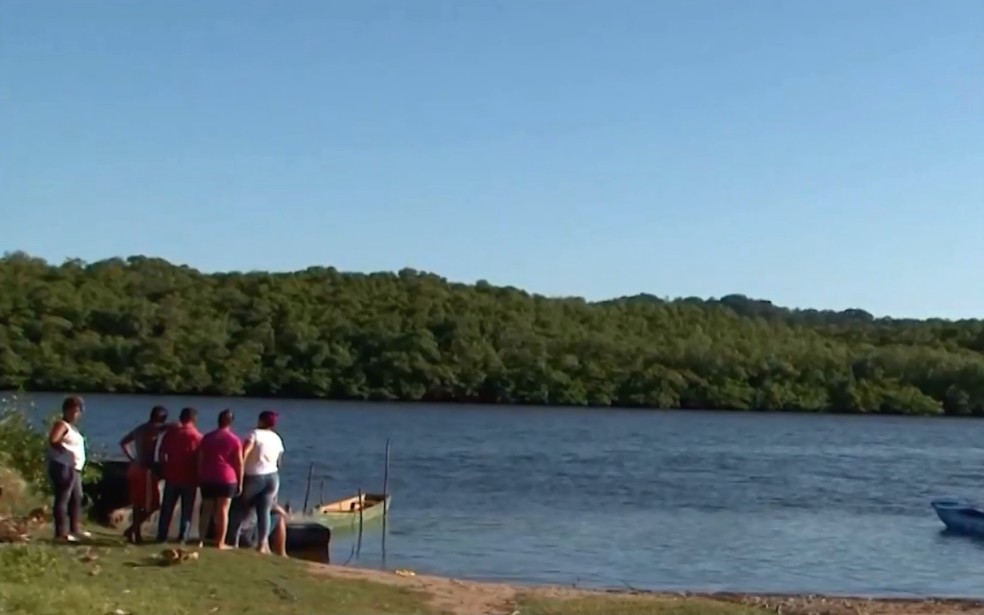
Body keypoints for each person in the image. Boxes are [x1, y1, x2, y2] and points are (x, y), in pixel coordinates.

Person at [228, 410, 284, 554]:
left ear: (260, 421)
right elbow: (279, 462)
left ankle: (233, 540)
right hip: (272, 477)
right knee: (264, 511)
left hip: (254, 476)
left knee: (239, 507)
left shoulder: (254, 434)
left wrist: (239, 472)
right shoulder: (277, 438)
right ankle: (262, 544)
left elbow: (244, 453)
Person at [119, 405, 170, 544]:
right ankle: (133, 530)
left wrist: (131, 457)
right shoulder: (154, 429)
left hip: (134, 468)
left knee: (137, 503)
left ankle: (135, 533)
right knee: (153, 504)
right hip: (145, 469)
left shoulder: (140, 428)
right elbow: (168, 427)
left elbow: (123, 442)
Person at [46, 396, 90, 542]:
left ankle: (75, 529)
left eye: (78, 412)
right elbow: (53, 440)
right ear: (66, 410)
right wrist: (65, 451)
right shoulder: (62, 425)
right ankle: (60, 533)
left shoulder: (73, 428)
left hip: (74, 468)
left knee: (77, 497)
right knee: (63, 498)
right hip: (63, 466)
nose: (76, 415)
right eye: (73, 411)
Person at [196, 409, 242, 550]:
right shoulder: (234, 440)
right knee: (223, 511)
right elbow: (239, 463)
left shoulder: (207, 437)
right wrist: (240, 482)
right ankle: (220, 542)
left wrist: (200, 476)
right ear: (231, 422)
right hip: (227, 478)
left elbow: (200, 459)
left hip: (208, 477)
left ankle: (200, 540)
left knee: (206, 510)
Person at [156, 407, 202, 543]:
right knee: (187, 510)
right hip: (190, 477)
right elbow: (200, 459)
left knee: (167, 508)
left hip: (172, 475)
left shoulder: (171, 434)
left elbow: (162, 453)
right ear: (194, 419)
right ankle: (182, 537)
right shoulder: (197, 437)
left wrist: (165, 467)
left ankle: (161, 535)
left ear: (181, 417)